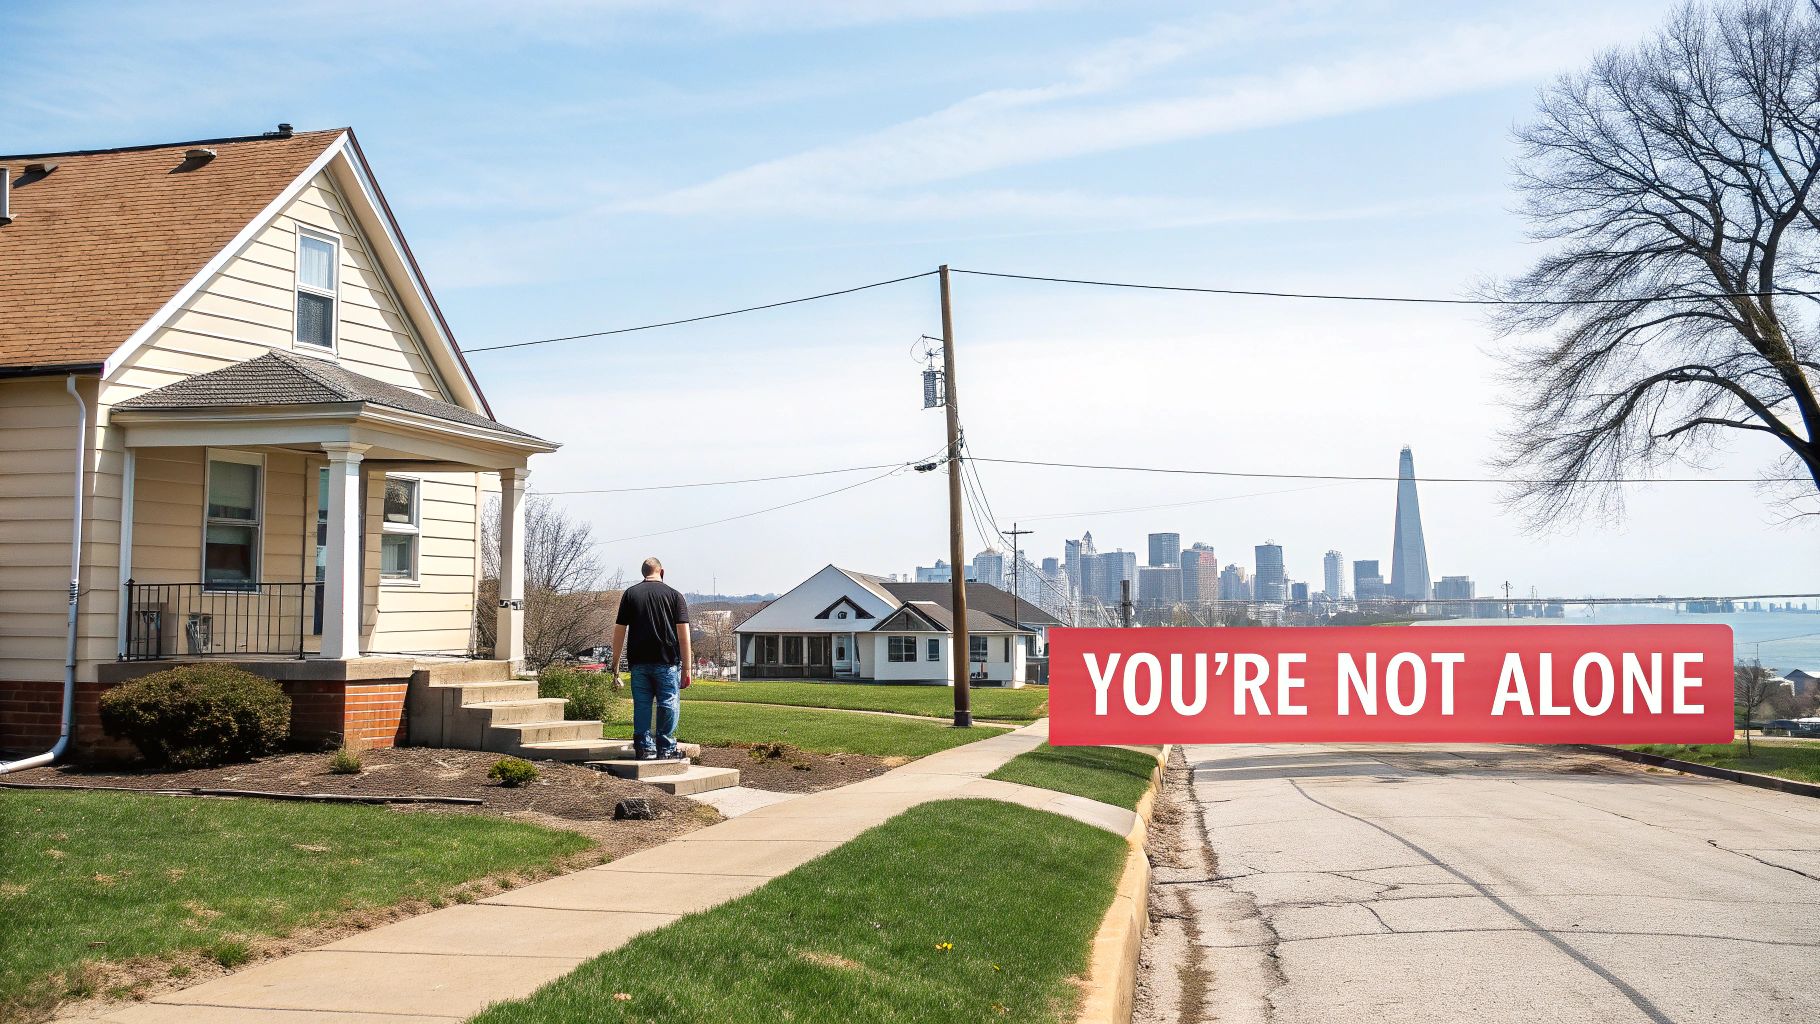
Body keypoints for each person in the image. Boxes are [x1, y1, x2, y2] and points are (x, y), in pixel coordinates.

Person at [611, 557, 691, 761]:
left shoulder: (630, 594)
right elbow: (684, 636)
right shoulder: (675, 596)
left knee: (642, 704)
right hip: (666, 662)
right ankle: (666, 747)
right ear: (662, 572)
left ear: (643, 573)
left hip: (638, 662)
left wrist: (615, 666)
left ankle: (644, 748)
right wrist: (687, 669)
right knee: (668, 702)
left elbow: (619, 631)